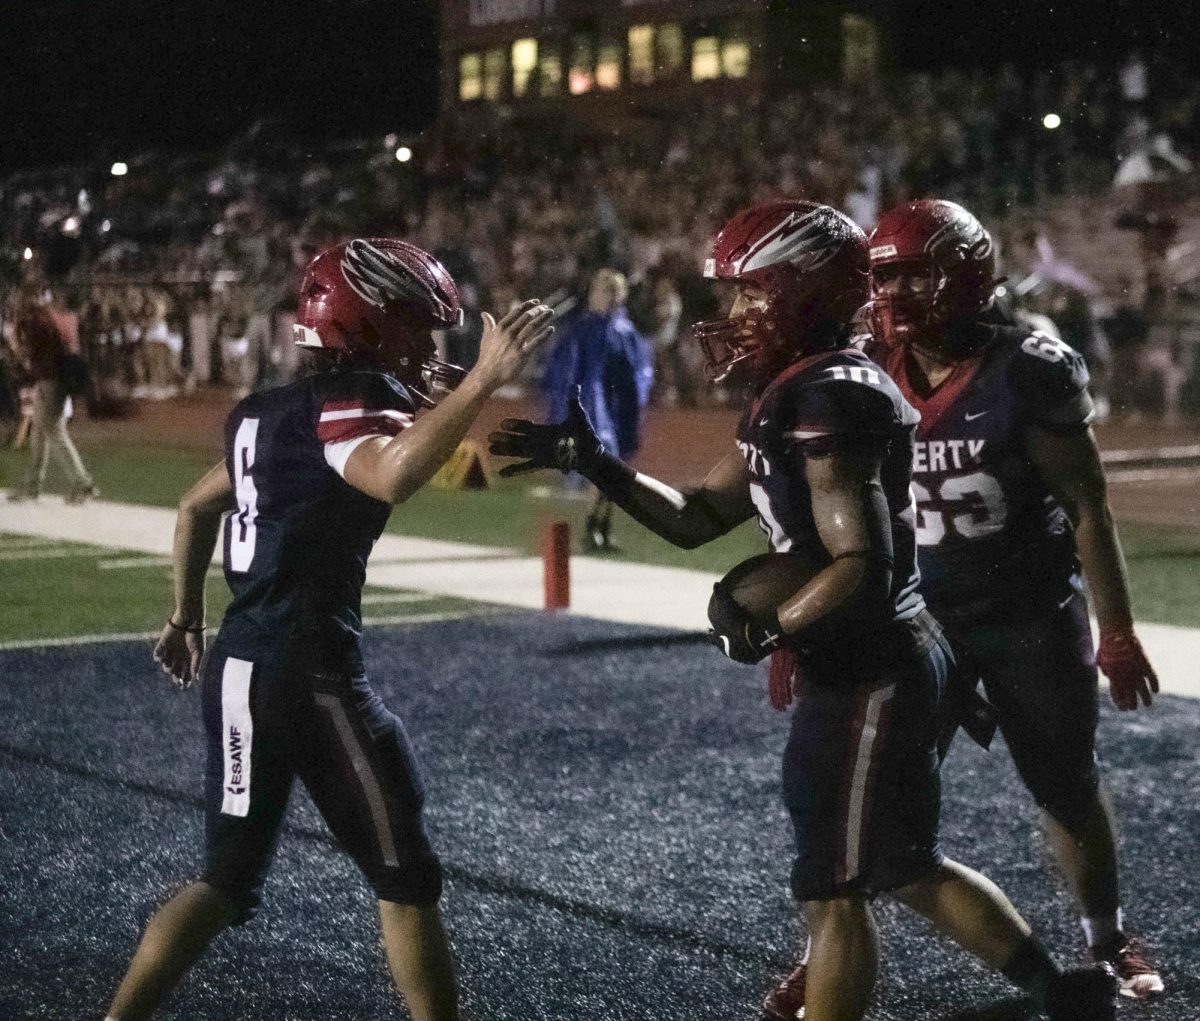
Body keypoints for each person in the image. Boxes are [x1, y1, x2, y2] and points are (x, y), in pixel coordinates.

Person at [490, 201, 1116, 1021]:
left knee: (832, 888)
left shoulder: (831, 395)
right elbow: (695, 516)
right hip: (871, 653)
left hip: (869, 662)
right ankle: (1059, 989)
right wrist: (598, 463)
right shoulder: (799, 387)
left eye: (750, 295)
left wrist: (772, 626)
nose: (733, 315)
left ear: (799, 292)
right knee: (901, 863)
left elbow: (864, 563)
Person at [103, 238, 555, 1021]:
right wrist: (483, 378)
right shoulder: (353, 401)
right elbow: (389, 471)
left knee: (224, 880)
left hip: (241, 666)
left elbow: (193, 506)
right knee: (405, 876)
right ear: (368, 325)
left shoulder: (264, 413)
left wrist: (186, 612)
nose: (429, 348)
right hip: (311, 675)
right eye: (417, 328)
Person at [851, 198, 1165, 1002]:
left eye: (913, 274)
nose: (894, 295)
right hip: (922, 618)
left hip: (1028, 615)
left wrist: (1117, 630)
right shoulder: (869, 360)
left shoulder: (1029, 367)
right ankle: (833, 938)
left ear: (964, 274)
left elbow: (1088, 505)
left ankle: (1107, 935)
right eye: (886, 277)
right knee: (875, 798)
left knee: (1063, 782)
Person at [541, 267, 653, 551]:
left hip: (619, 408)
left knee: (617, 471)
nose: (610, 297)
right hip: (595, 406)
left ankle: (601, 527)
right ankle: (593, 526)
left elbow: (638, 369)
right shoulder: (583, 329)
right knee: (606, 469)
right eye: (606, 291)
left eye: (615, 291)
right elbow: (569, 371)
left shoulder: (626, 330)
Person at [7, 294, 98, 504]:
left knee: (54, 431)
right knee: (39, 433)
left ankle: (82, 483)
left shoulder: (34, 322)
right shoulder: (49, 318)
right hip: (54, 379)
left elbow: (30, 354)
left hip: (50, 380)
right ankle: (32, 485)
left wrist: (18, 351)